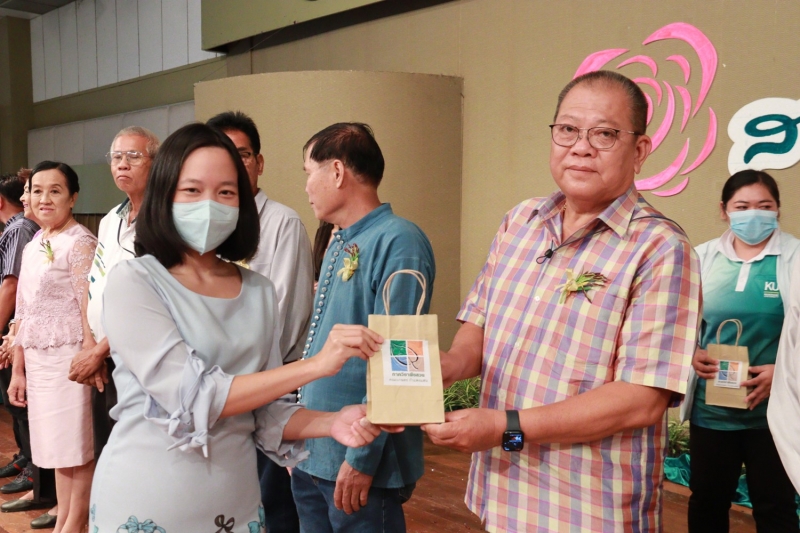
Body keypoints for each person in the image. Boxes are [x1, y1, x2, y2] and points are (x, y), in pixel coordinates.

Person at [425, 71, 701, 532]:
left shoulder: (659, 248)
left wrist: (503, 426)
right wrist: (448, 365)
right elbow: (480, 324)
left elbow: (640, 400)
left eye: (604, 134)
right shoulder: (521, 221)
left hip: (585, 508)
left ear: (640, 150)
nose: (581, 147)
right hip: (502, 491)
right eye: (568, 129)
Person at [87, 123, 392, 532]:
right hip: (149, 498)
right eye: (192, 190)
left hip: (235, 501)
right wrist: (316, 366)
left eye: (226, 192)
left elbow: (266, 411)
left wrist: (332, 422)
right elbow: (195, 396)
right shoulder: (134, 282)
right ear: (164, 195)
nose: (210, 205)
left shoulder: (258, 290)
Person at [293, 122, 435, 533]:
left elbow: (404, 362)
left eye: (309, 172)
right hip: (314, 454)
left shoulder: (399, 240)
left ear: (337, 172)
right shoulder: (339, 240)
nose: (306, 187)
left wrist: (361, 459)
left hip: (357, 461)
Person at [206, 111, 314, 533]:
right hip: (218, 397)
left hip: (266, 389)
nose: (234, 163)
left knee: (273, 509)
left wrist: (243, 381)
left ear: (259, 162)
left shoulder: (281, 223)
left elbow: (286, 316)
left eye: (243, 154)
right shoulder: (205, 229)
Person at [680, 171, 799, 532]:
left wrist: (781, 371)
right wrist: (690, 352)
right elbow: (677, 322)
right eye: (742, 207)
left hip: (772, 413)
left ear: (778, 210)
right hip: (711, 411)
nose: (754, 215)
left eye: (765, 206)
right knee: (707, 501)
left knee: (775, 507)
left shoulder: (794, 258)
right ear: (724, 210)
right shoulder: (701, 258)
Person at [7, 161, 98, 533]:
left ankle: (76, 522)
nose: (44, 198)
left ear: (72, 198)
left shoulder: (80, 242)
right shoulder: (34, 243)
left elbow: (88, 305)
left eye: (55, 191)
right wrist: (18, 369)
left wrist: (91, 355)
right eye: (37, 191)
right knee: (58, 448)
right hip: (38, 360)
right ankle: (63, 518)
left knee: (78, 445)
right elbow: (23, 310)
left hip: (69, 358)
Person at [68, 126, 160, 461]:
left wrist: (99, 350)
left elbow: (153, 300)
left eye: (133, 156)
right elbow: (92, 285)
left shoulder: (163, 221)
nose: (122, 163)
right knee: (106, 451)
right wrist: (90, 345)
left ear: (156, 162)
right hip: (102, 357)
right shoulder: (110, 220)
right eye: (116, 156)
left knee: (136, 455)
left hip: (139, 359)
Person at [1, 173, 58, 529]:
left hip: (54, 346)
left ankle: (46, 488)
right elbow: (24, 300)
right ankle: (36, 476)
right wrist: (13, 334)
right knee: (24, 410)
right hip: (26, 338)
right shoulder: (36, 236)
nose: (30, 198)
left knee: (39, 418)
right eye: (29, 190)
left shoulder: (26, 230)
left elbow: (13, 287)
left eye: (36, 191)